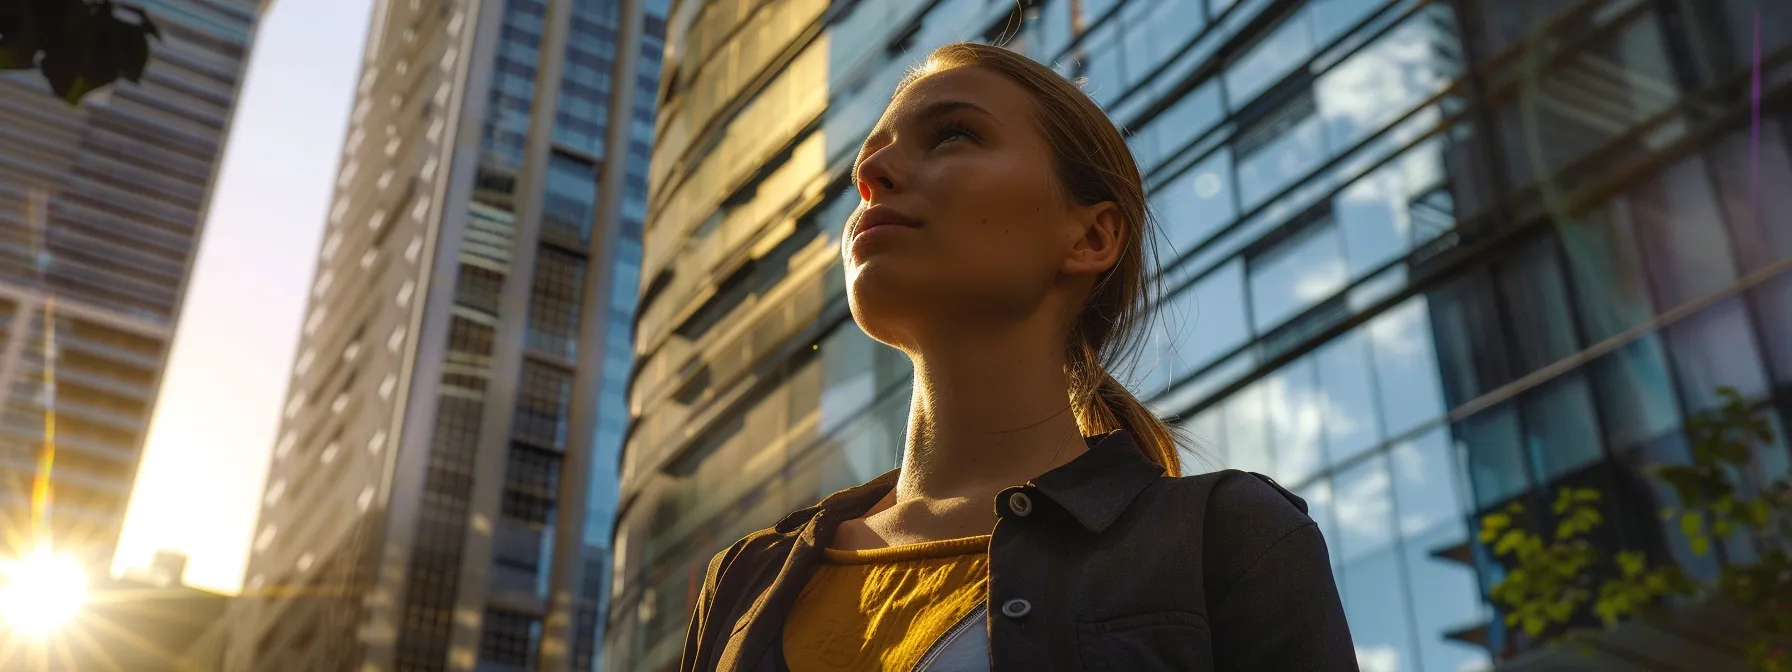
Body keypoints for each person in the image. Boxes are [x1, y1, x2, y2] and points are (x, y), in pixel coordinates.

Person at [678, 42, 1357, 671]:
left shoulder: (1227, 538)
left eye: (952, 135)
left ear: (1091, 236)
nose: (872, 173)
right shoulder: (742, 579)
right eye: (871, 157)